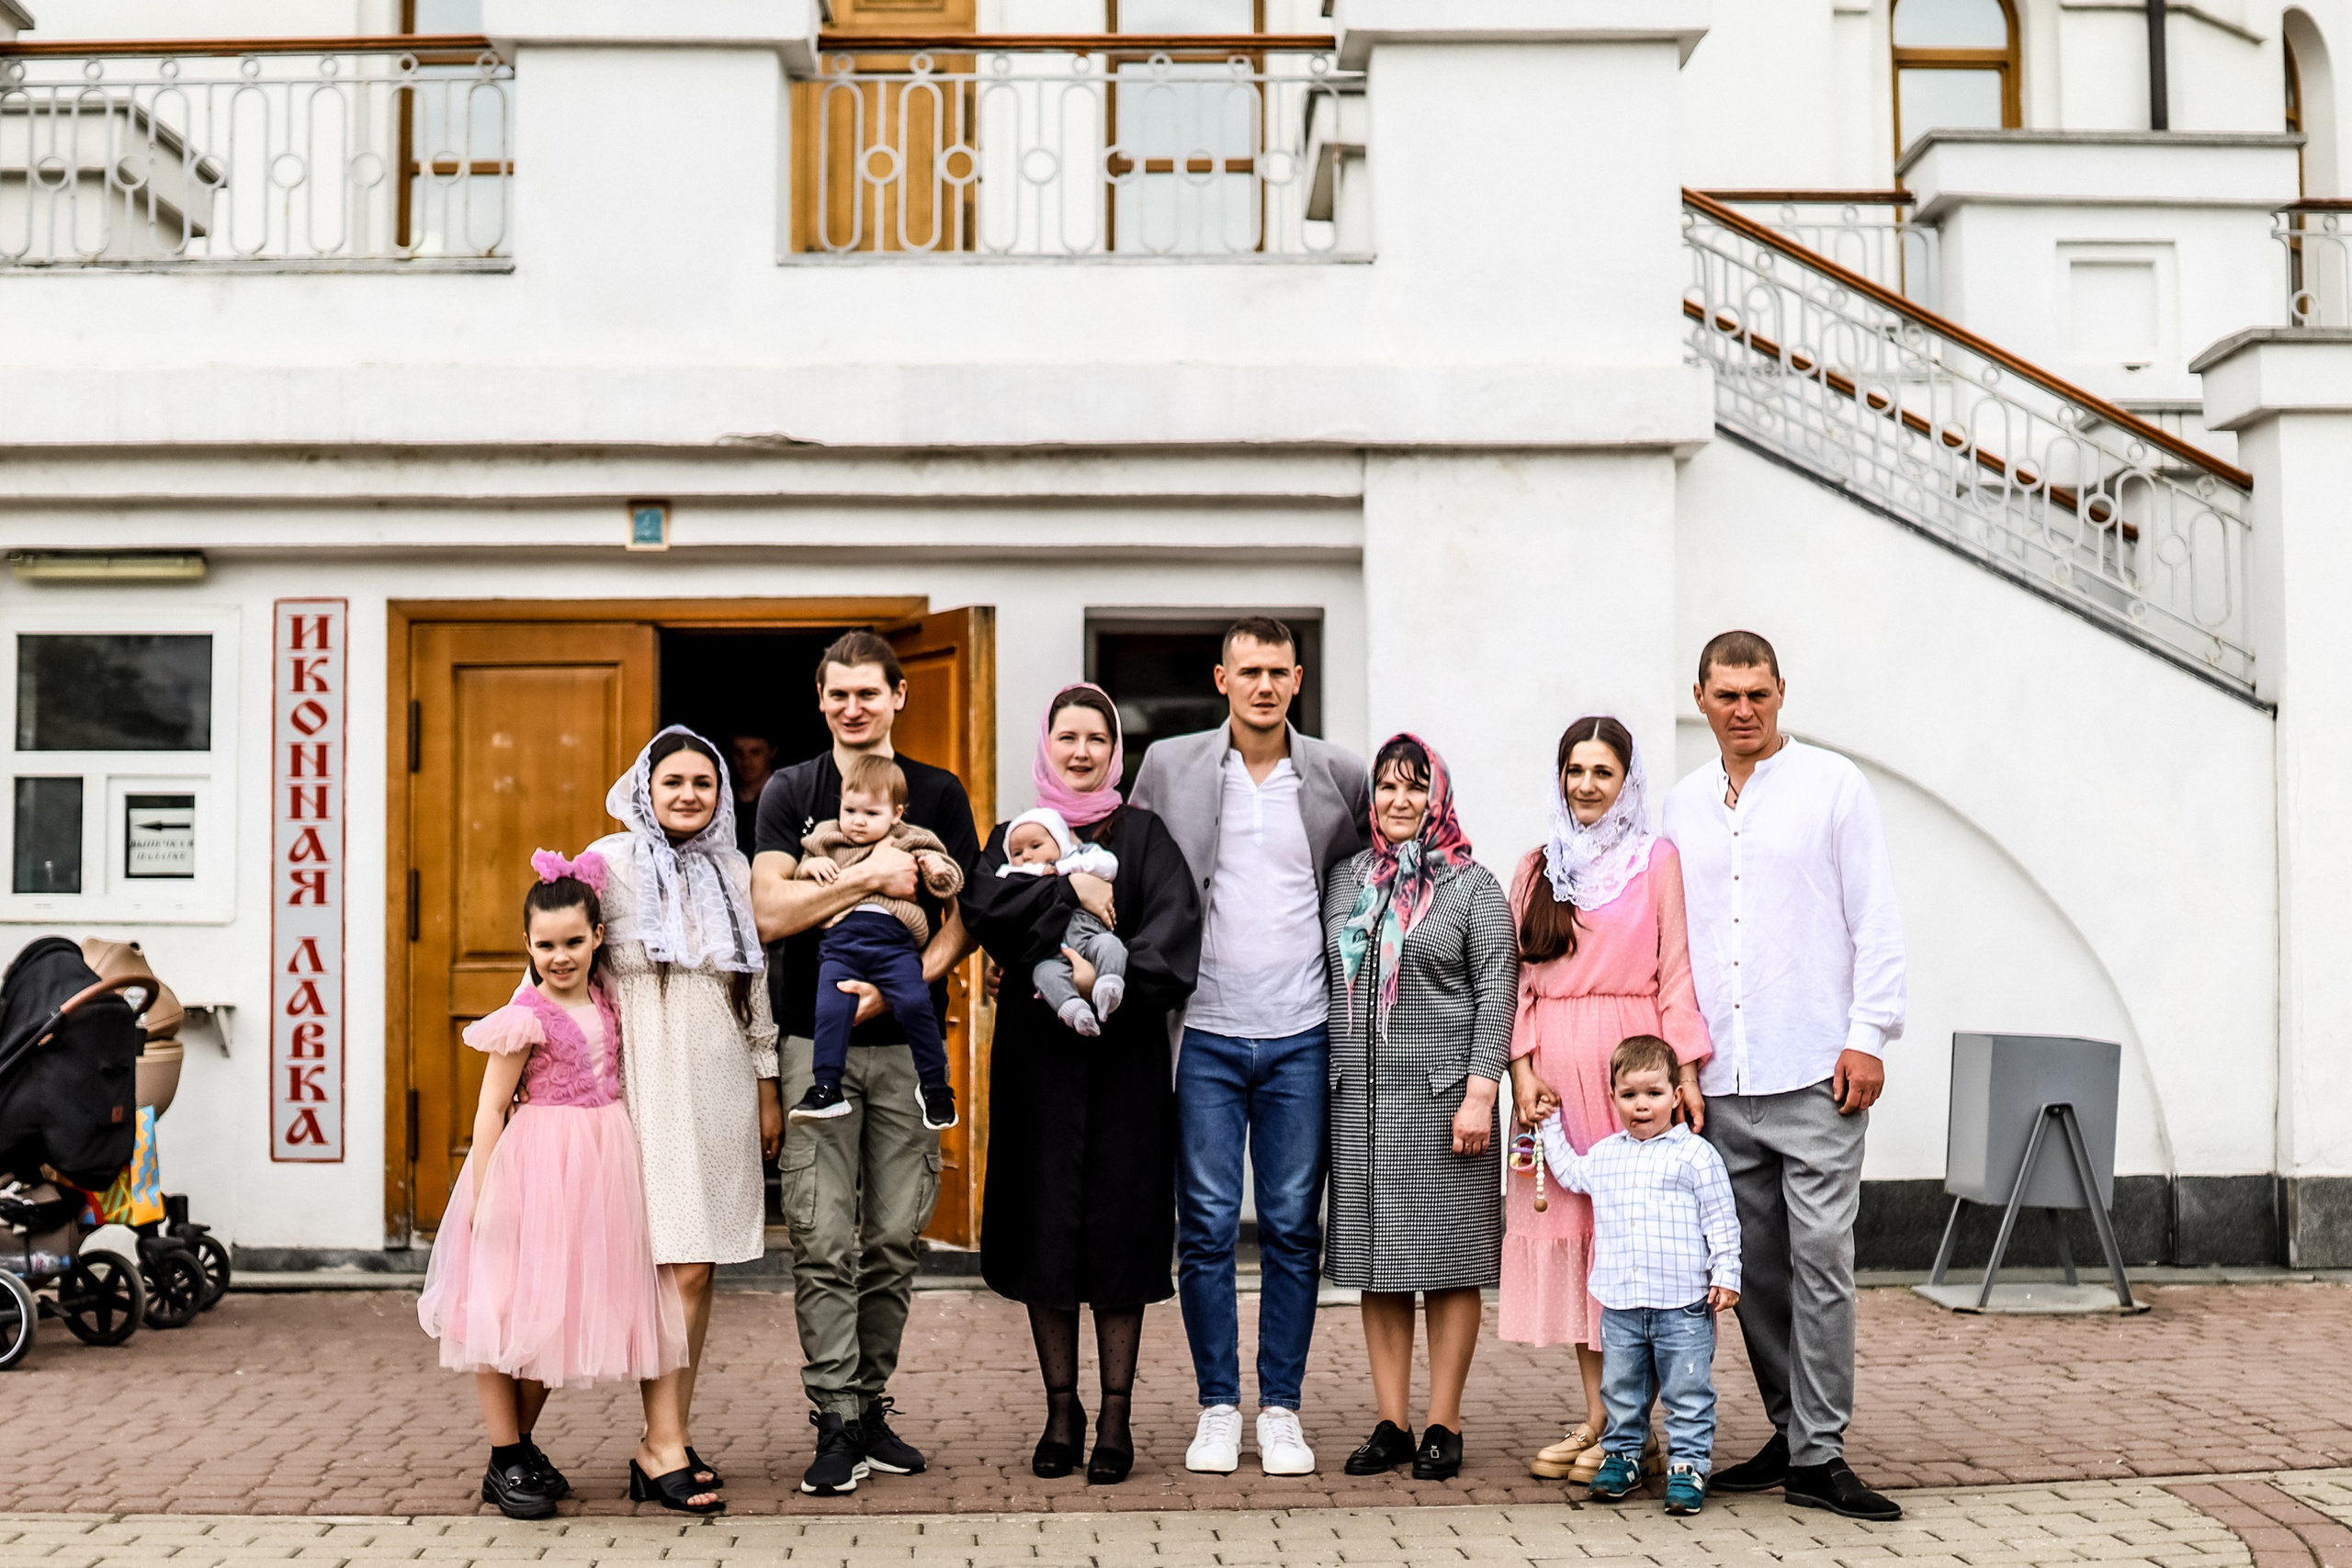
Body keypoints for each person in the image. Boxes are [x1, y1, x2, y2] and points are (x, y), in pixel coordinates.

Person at [1661, 629, 1906, 1523]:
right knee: (1753, 1271)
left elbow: (1875, 918)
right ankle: (1789, 1427)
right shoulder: (1680, 806)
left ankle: (1822, 1452)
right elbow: (1672, 942)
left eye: (1757, 693)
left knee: (1822, 1260)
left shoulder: (1835, 787)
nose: (1743, 709)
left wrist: (1869, 1034)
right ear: (1700, 698)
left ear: (1781, 692)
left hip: (1816, 1072)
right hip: (1721, 1081)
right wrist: (1679, 1058)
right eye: (1726, 694)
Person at [1131, 616, 1368, 1477]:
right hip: (1204, 1034)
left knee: (1294, 1229)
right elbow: (1132, 877)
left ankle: (1283, 1408)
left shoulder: (1339, 772)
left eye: (1278, 671)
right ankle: (1217, 1405)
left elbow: (1369, 887)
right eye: (1249, 671)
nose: (1264, 685)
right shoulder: (1171, 766)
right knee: (1202, 1227)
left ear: (1297, 679)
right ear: (1221, 677)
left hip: (1303, 1032)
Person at [751, 631, 979, 1497]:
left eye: (869, 693)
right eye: (839, 693)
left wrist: (903, 984)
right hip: (815, 1045)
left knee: (890, 1239)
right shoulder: (789, 792)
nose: (854, 706)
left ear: (899, 696)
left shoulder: (939, 792)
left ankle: (872, 1403)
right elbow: (771, 911)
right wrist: (873, 875)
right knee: (819, 1238)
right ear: (821, 699)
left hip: (905, 1046)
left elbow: (969, 912)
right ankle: (836, 1417)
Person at [963, 683, 1201, 1485]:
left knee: (1119, 1231)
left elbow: (1173, 931)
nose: (1081, 750)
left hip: (1124, 1056)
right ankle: (1061, 1411)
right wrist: (1069, 892)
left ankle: (1118, 1417)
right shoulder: (1016, 833)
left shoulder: (1143, 834)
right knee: (1045, 1226)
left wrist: (1106, 968)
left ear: (1114, 749)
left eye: (1097, 737)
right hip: (1038, 1065)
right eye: (1067, 735)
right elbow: (992, 909)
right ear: (1048, 744)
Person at [417, 852, 692, 1519]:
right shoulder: (525, 1014)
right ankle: (507, 1451)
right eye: (545, 944)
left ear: (598, 936)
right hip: (536, 1164)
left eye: (573, 941)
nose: (560, 955)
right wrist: (485, 1194)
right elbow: (489, 1109)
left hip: (603, 1165)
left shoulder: (609, 998)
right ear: (527, 945)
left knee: (560, 1308)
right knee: (505, 1307)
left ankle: (513, 1452)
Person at [1499, 716, 1711, 1486]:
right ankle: (1603, 1418)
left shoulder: (1656, 861)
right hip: (1554, 1076)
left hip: (1629, 1072)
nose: (1587, 784)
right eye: (1575, 769)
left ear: (1628, 780)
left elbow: (1677, 972)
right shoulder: (1535, 867)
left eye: (1603, 771)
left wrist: (1686, 1072)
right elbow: (1515, 981)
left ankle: (1634, 1428)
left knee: (1628, 1246)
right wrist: (1521, 1074)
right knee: (1581, 1248)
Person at [592, 728, 779, 1514]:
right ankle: (661, 1440)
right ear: (645, 785)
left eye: (704, 781)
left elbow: (754, 981)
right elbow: (561, 965)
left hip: (721, 1074)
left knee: (698, 1268)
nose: (689, 794)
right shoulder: (606, 862)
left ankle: (667, 1434)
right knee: (674, 1264)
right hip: (642, 1076)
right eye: (674, 780)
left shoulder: (735, 867)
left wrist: (768, 1081)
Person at [1323, 733, 1518, 1483]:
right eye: (1387, 787)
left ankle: (1444, 1420)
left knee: (1448, 1263)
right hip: (1361, 1105)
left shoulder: (1473, 885)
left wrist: (1481, 1090)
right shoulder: (1346, 879)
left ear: (1437, 797)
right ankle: (1391, 1422)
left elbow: (1499, 989)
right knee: (1378, 1265)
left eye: (1415, 788)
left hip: (1446, 1105)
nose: (1399, 801)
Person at [1535, 1034, 1740, 1517]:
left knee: (1687, 1390)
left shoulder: (1696, 1156)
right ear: (1613, 1098)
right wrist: (1549, 1125)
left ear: (1676, 1095)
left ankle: (1688, 1466)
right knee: (1621, 1390)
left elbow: (1721, 1219)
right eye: (1629, 1095)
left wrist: (1727, 1274)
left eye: (1653, 1094)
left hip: (1683, 1304)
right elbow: (1569, 1174)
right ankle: (1624, 1455)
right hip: (1622, 1304)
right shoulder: (1607, 1155)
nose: (1641, 1105)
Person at [787, 754, 966, 1130]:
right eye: (850, 809)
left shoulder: (911, 841)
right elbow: (801, 871)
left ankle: (934, 1085)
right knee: (830, 1009)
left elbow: (948, 880)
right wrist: (810, 868)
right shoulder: (827, 838)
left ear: (896, 814)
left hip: (895, 947)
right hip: (841, 947)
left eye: (871, 813)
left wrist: (936, 869)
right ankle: (826, 1087)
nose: (857, 820)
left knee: (918, 1003)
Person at [994, 806, 1128, 1036]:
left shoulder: (1080, 856)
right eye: (1017, 853)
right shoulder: (1013, 876)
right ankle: (1075, 1012)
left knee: (1110, 945)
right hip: (1051, 952)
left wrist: (1062, 870)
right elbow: (997, 895)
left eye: (1036, 846)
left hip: (1089, 938)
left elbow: (1109, 865)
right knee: (1044, 974)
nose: (1026, 856)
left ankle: (1109, 985)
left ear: (1060, 842)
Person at [730, 732, 779, 859]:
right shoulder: (722, 801)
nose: (746, 761)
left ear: (772, 752)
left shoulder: (786, 800)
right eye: (739, 752)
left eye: (755, 752)